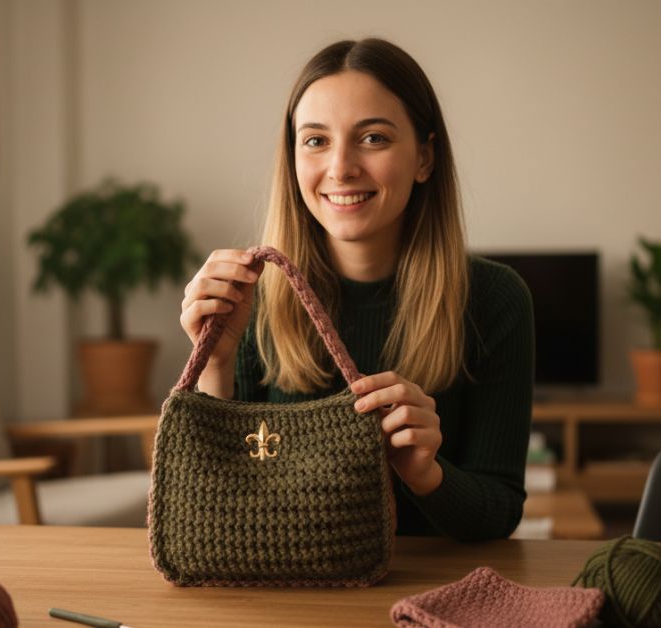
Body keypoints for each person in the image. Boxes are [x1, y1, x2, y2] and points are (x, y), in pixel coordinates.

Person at [178, 38, 533, 542]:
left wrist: (426, 474)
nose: (341, 167)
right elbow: (219, 513)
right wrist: (214, 362)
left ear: (425, 158)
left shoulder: (495, 300)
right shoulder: (253, 298)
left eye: (373, 138)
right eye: (316, 140)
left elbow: (499, 515)